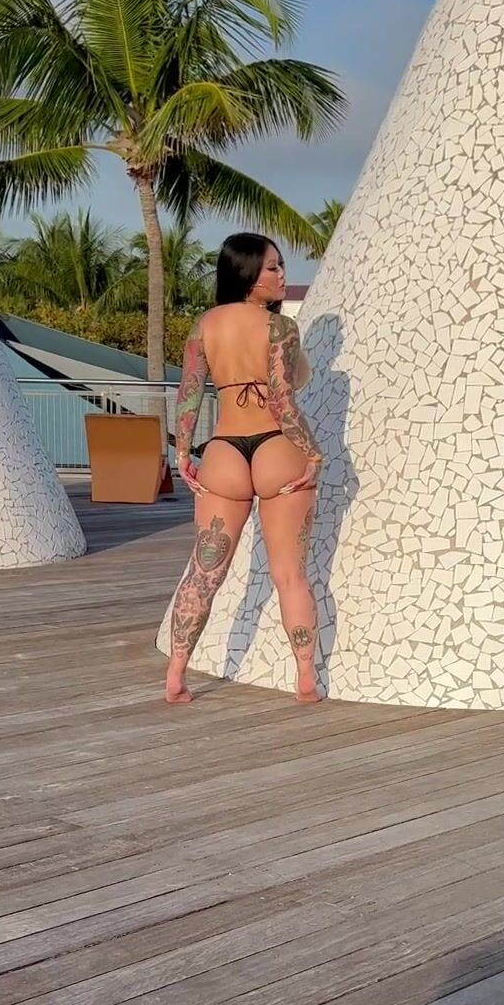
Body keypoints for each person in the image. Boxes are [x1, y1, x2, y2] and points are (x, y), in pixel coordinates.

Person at [164, 232, 323, 705]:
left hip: (224, 451)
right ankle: (305, 679)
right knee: (290, 575)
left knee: (203, 573)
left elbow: (189, 392)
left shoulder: (205, 325)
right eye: (273, 267)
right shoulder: (280, 329)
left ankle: (176, 674)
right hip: (276, 446)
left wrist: (182, 452)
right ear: (249, 275)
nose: (282, 275)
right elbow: (282, 402)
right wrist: (313, 453)